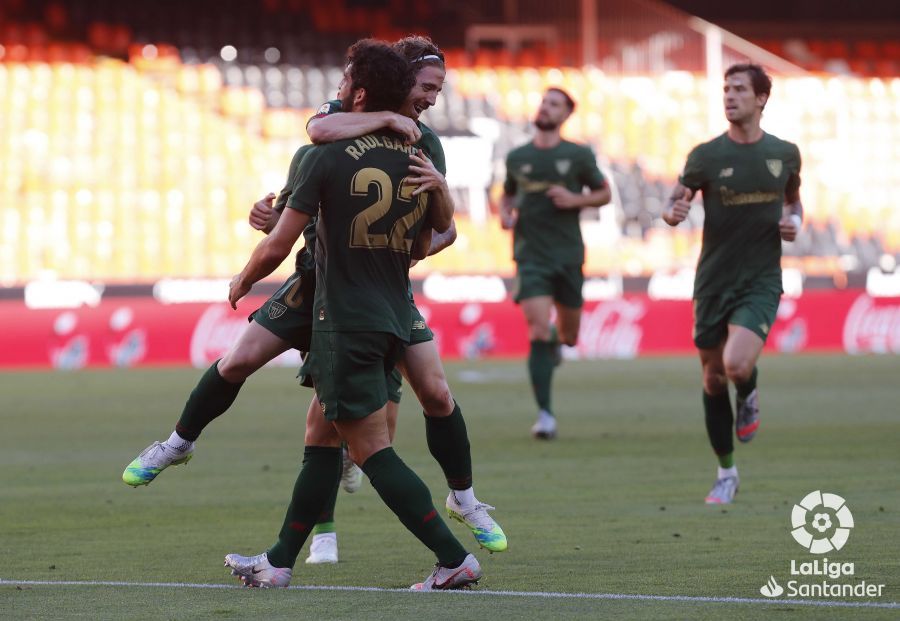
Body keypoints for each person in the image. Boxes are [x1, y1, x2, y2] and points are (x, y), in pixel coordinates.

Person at [121, 36, 505, 562]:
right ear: (397, 83)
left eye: (438, 89)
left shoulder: (424, 144)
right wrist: (275, 214)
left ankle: (459, 502)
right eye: (427, 87)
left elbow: (442, 231)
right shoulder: (340, 120)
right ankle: (179, 444)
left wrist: (403, 243)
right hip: (314, 281)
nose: (432, 99)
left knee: (424, 399)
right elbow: (314, 146)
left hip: (373, 292)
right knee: (240, 360)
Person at [222, 39, 482, 590]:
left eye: (344, 81)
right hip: (388, 306)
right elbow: (432, 235)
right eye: (426, 89)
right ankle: (278, 562)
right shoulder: (410, 149)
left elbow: (279, 242)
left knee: (370, 450)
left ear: (358, 90)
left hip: (343, 314)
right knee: (321, 435)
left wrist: (244, 281)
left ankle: (453, 556)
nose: (431, 100)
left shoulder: (330, 151)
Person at [662, 63, 802, 505]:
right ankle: (726, 472)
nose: (729, 95)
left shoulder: (785, 153)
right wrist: (672, 214)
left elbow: (795, 201)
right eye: (725, 89)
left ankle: (751, 388)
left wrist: (794, 220)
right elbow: (675, 200)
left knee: (737, 366)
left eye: (739, 89)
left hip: (760, 279)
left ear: (761, 99)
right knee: (712, 378)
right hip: (713, 281)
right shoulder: (706, 156)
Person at [500, 88, 611, 440]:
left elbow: (604, 193)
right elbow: (507, 193)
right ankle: (545, 415)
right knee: (535, 328)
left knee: (569, 336)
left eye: (554, 104)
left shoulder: (577, 154)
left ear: (565, 115)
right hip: (530, 254)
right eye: (544, 101)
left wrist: (575, 199)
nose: (545, 107)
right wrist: (505, 213)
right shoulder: (517, 157)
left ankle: (555, 344)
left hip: (567, 256)